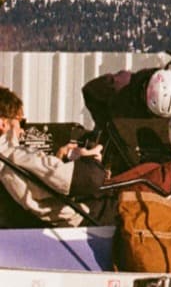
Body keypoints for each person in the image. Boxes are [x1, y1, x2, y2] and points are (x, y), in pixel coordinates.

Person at [0, 86, 107, 227]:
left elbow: (38, 187)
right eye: (20, 122)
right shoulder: (14, 155)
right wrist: (89, 158)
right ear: (3, 123)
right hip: (81, 220)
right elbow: (90, 180)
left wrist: (59, 160)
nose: (22, 131)